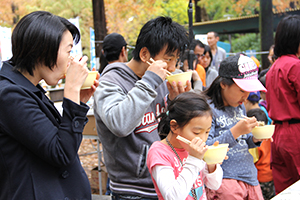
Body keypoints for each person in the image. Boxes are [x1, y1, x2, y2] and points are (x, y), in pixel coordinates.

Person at [0, 11, 99, 199]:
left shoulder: (29, 88)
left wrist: (79, 100)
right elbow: (61, 152)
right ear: (43, 50)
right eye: (69, 51)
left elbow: (64, 142)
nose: (71, 59)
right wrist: (70, 91)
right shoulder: (9, 95)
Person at [93, 16, 190, 199]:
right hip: (132, 190)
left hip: (165, 181)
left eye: (176, 60)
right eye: (168, 59)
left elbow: (165, 131)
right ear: (145, 55)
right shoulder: (110, 82)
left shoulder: (160, 80)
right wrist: (149, 82)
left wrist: (175, 101)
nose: (173, 67)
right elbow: (120, 124)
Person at [204, 54, 267, 200]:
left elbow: (244, 141)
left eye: (249, 91)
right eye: (242, 90)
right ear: (224, 83)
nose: (246, 96)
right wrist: (236, 131)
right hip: (225, 181)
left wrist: (255, 138)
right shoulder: (207, 110)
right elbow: (206, 148)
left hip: (250, 177)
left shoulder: (239, 106)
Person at [147, 92, 223, 200]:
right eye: (197, 132)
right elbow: (172, 197)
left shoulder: (191, 147)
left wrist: (212, 163)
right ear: (174, 126)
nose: (203, 138)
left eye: (207, 132)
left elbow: (214, 185)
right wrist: (194, 159)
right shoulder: (159, 152)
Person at [266, 15, 300, 194]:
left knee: (286, 191)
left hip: (277, 134)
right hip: (295, 133)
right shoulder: (295, 65)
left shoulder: (274, 66)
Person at [246, 108, 275, 200]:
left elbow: (253, 160)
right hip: (271, 176)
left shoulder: (255, 142)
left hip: (259, 178)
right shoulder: (270, 138)